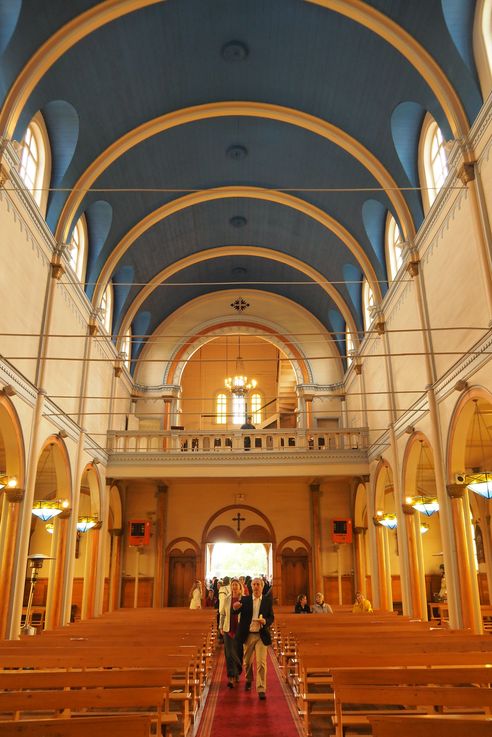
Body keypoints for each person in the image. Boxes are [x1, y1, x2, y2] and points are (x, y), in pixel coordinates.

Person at [235, 576, 274, 700]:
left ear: (262, 587)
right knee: (247, 662)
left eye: (258, 584)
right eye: (254, 585)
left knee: (261, 663)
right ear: (251, 587)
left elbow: (271, 617)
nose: (256, 587)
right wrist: (235, 608)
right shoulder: (245, 600)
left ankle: (261, 688)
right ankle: (248, 678)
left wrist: (265, 621)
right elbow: (236, 610)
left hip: (261, 635)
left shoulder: (267, 601)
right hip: (248, 634)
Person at [219, 578, 244, 687]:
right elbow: (223, 614)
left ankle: (238, 670)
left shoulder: (243, 599)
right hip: (227, 629)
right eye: (232, 585)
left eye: (236, 585)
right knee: (229, 653)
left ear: (240, 587)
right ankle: (231, 677)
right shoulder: (227, 598)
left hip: (238, 629)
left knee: (238, 652)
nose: (234, 587)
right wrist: (221, 626)